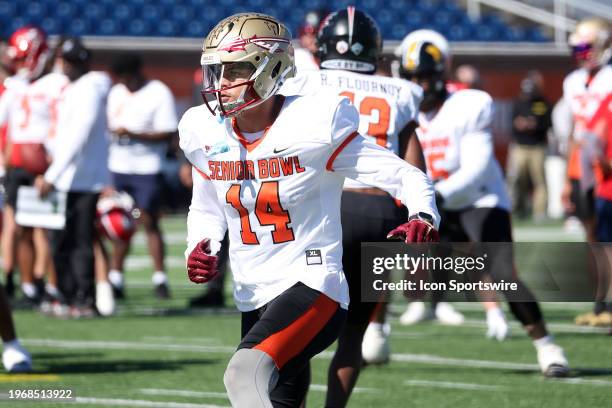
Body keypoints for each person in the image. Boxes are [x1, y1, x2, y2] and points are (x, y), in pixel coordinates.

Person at [179, 12, 439, 407]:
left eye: (235, 69)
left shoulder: (314, 124)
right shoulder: (204, 129)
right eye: (217, 71)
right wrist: (202, 243)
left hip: (314, 283)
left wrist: (422, 214)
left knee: (243, 375)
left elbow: (406, 175)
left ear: (272, 69)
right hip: (253, 290)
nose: (223, 83)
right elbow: (208, 204)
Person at [399, 38, 569, 377]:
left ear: (440, 74)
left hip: (479, 199)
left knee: (505, 274)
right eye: (412, 78)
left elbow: (476, 169)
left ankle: (547, 345)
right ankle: (374, 334)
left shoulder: (468, 104)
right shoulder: (403, 111)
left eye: (424, 78)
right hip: (437, 202)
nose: (418, 86)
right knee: (404, 272)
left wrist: (434, 197)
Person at [288, 7, 426, 406]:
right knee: (353, 335)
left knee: (303, 327)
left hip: (327, 209)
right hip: (380, 212)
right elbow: (414, 170)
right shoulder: (400, 90)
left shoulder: (307, 81)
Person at [34, 37, 111, 318]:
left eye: (68, 61)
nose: (64, 66)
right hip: (69, 176)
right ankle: (67, 295)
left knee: (78, 241)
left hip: (80, 179)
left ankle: (82, 297)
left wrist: (52, 174)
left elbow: (79, 135)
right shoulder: (75, 87)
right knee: (62, 241)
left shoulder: (88, 89)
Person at [106, 53, 177, 300]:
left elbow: (168, 132)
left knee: (148, 220)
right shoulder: (116, 92)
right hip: (119, 165)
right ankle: (115, 277)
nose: (124, 82)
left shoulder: (158, 92)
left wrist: (133, 134)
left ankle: (160, 278)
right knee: (118, 223)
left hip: (147, 166)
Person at [0, 26, 60, 306]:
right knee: (22, 227)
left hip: (42, 165)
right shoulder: (15, 87)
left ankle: (45, 282)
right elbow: (6, 126)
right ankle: (28, 285)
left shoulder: (54, 85)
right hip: (20, 164)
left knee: (44, 227)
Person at [562, 18, 612, 326]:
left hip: (606, 164)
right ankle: (600, 302)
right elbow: (574, 132)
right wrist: (569, 178)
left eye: (586, 47)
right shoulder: (572, 82)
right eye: (577, 47)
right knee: (593, 238)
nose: (581, 53)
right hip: (584, 165)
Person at [507, 70, 552, 221]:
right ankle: (518, 208)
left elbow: (547, 124)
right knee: (517, 180)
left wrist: (535, 125)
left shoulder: (542, 102)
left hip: (537, 147)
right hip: (519, 146)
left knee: (539, 180)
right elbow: (511, 125)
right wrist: (520, 125)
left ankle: (539, 212)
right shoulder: (517, 103)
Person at [293, 8, 328, 73]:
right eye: (305, 34)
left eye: (315, 35)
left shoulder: (332, 57)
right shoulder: (297, 56)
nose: (310, 40)